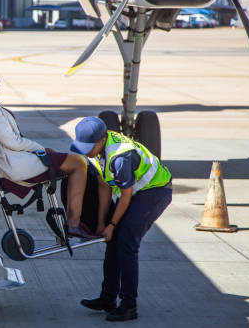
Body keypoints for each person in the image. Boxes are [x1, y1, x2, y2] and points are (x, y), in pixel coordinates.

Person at [0, 61, 96, 239]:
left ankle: (74, 221)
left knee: (71, 162)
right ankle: (73, 224)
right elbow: (12, 142)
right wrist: (40, 150)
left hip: (13, 160)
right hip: (14, 164)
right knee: (79, 163)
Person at [70, 117, 172, 322]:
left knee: (126, 243)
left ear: (101, 140)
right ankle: (107, 299)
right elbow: (103, 185)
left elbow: (125, 195)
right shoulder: (95, 151)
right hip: (134, 193)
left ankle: (129, 305)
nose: (85, 151)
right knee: (113, 243)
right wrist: (102, 223)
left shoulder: (120, 157)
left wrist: (113, 224)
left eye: (89, 147)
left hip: (154, 191)